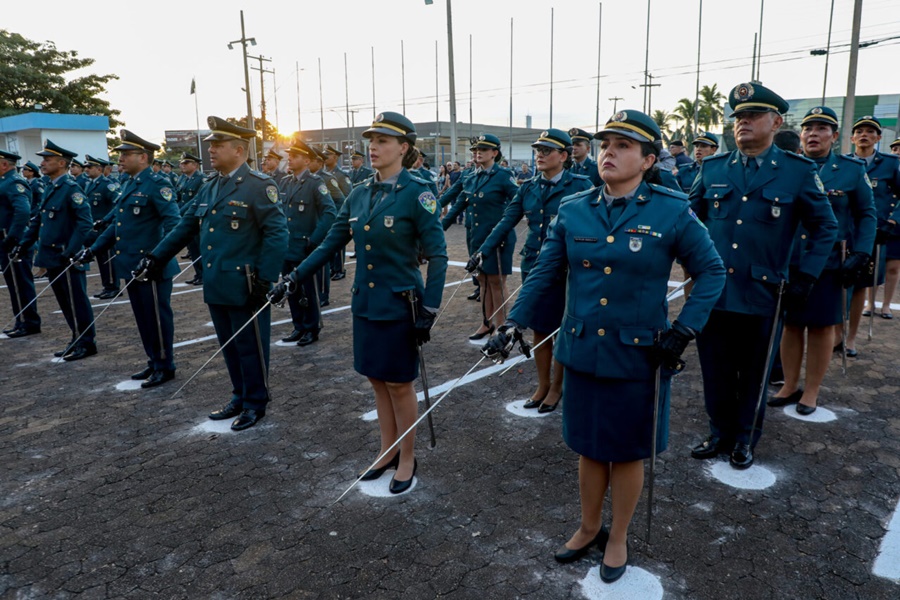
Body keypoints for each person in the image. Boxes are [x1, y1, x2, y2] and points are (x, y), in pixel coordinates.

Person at [483, 109, 724, 584]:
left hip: (640, 354)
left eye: (623, 146)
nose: (608, 152)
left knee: (627, 451)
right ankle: (590, 526)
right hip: (582, 351)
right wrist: (515, 322)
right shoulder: (574, 209)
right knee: (589, 448)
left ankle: (619, 536)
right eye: (605, 144)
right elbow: (546, 273)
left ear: (649, 158)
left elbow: (712, 271)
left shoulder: (672, 209)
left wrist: (684, 329)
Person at [270, 111, 447, 493]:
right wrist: (294, 277)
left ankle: (407, 456)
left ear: (404, 147)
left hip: (401, 306)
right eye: (371, 140)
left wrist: (431, 307)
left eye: (383, 141)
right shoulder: (359, 192)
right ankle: (387, 449)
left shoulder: (419, 194)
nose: (373, 147)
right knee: (376, 380)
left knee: (399, 384)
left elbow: (438, 254)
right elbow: (331, 242)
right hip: (365, 303)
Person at [689, 83, 837, 469]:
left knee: (754, 372)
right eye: (739, 117)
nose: (743, 123)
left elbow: (825, 227)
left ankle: (744, 438)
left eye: (752, 116)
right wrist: (692, 265)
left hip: (764, 292)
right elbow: (687, 220)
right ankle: (719, 431)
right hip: (716, 291)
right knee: (716, 368)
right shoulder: (713, 168)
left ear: (775, 122)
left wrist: (806, 275)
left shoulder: (797, 171)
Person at [140, 117, 288, 431]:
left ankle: (255, 403)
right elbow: (184, 227)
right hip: (217, 280)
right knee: (229, 345)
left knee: (251, 345)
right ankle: (239, 395)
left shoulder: (260, 185)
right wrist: (156, 257)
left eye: (217, 145)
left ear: (239, 150)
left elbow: (277, 234)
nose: (211, 150)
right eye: (210, 145)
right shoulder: (211, 185)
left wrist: (266, 278)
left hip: (246, 282)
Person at [468, 128, 592, 412]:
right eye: (538, 150)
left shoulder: (581, 186)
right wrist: (482, 252)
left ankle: (558, 386)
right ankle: (542, 384)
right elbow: (505, 221)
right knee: (539, 328)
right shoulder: (528, 187)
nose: (540, 155)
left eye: (547, 151)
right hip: (535, 266)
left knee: (562, 328)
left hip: (568, 269)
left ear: (563, 155)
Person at [767, 107, 875, 414]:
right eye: (808, 128)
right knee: (790, 325)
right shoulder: (787, 167)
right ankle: (789, 385)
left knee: (821, 327)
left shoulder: (851, 170)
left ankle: (811, 391)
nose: (813, 133)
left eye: (821, 128)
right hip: (789, 260)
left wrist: (861, 252)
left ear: (835, 135)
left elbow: (867, 214)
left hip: (830, 261)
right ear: (801, 135)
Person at [76, 130, 182, 387]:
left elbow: (174, 223)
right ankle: (153, 360)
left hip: (152, 266)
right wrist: (94, 248)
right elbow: (118, 226)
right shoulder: (130, 183)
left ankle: (165, 365)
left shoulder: (158, 185)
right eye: (120, 155)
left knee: (157, 318)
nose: (120, 159)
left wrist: (157, 257)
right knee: (143, 318)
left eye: (126, 154)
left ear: (143, 157)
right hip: (132, 265)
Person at [11, 140, 97, 360]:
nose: (42, 163)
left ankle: (86, 343)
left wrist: (71, 251)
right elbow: (39, 220)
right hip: (52, 256)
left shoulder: (70, 188)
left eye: (47, 160)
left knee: (76, 301)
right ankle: (77, 338)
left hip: (64, 255)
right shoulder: (51, 186)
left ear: (61, 163)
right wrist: (24, 244)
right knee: (65, 301)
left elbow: (85, 223)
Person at [442, 134, 518, 338]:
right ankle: (487, 322)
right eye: (475, 150)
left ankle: (501, 327)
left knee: (497, 281)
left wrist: (505, 226)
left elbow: (518, 202)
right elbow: (457, 205)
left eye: (483, 150)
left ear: (495, 153)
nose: (477, 153)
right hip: (475, 236)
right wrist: (440, 226)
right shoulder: (470, 176)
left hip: (497, 238)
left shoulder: (503, 175)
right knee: (483, 280)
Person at [845, 116, 900, 347]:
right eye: (860, 131)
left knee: (860, 286)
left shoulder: (890, 163)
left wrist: (893, 221)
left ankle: (850, 338)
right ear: (852, 137)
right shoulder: (843, 162)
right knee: (839, 285)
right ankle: (837, 333)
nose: (864, 135)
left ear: (878, 138)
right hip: (845, 234)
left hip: (875, 233)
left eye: (870, 131)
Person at [277, 140, 335, 346]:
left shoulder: (315, 183)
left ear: (307, 160)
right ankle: (298, 326)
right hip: (287, 246)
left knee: (308, 290)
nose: (289, 158)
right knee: (290, 287)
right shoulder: (286, 182)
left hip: (306, 246)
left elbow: (330, 212)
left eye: (295, 155)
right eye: (289, 155)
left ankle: (312, 327)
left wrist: (315, 239)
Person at [0, 150, 41, 338]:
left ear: (4, 164)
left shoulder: (13, 182)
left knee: (20, 283)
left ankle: (29, 322)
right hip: (7, 239)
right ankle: (21, 320)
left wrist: (13, 238)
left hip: (13, 240)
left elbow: (23, 212)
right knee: (14, 283)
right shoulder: (5, 182)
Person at [309, 148, 344, 307]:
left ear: (319, 162)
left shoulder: (326, 179)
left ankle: (323, 295)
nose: (309, 163)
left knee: (322, 265)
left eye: (312, 160)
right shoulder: (310, 179)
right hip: (311, 225)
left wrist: (331, 220)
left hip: (323, 224)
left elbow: (340, 200)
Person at [82, 155, 121, 299]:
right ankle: (107, 286)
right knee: (101, 258)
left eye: (90, 167)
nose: (86, 170)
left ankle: (113, 286)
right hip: (96, 229)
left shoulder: (107, 185)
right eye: (85, 167)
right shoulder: (90, 184)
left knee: (108, 258)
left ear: (99, 169)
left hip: (106, 228)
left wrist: (105, 220)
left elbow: (118, 204)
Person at [323, 146, 353, 281]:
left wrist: (340, 215)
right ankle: (332, 268)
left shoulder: (341, 175)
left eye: (328, 155)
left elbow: (347, 196)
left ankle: (339, 269)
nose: (325, 158)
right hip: (328, 214)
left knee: (339, 244)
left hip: (338, 214)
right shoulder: (323, 174)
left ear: (335, 158)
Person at [177, 153, 206, 285]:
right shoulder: (183, 179)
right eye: (182, 163)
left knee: (200, 247)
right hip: (186, 218)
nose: (182, 165)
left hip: (196, 218)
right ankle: (198, 274)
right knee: (192, 248)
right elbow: (179, 197)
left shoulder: (201, 179)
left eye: (186, 163)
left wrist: (181, 212)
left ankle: (204, 274)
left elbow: (196, 199)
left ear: (195, 165)